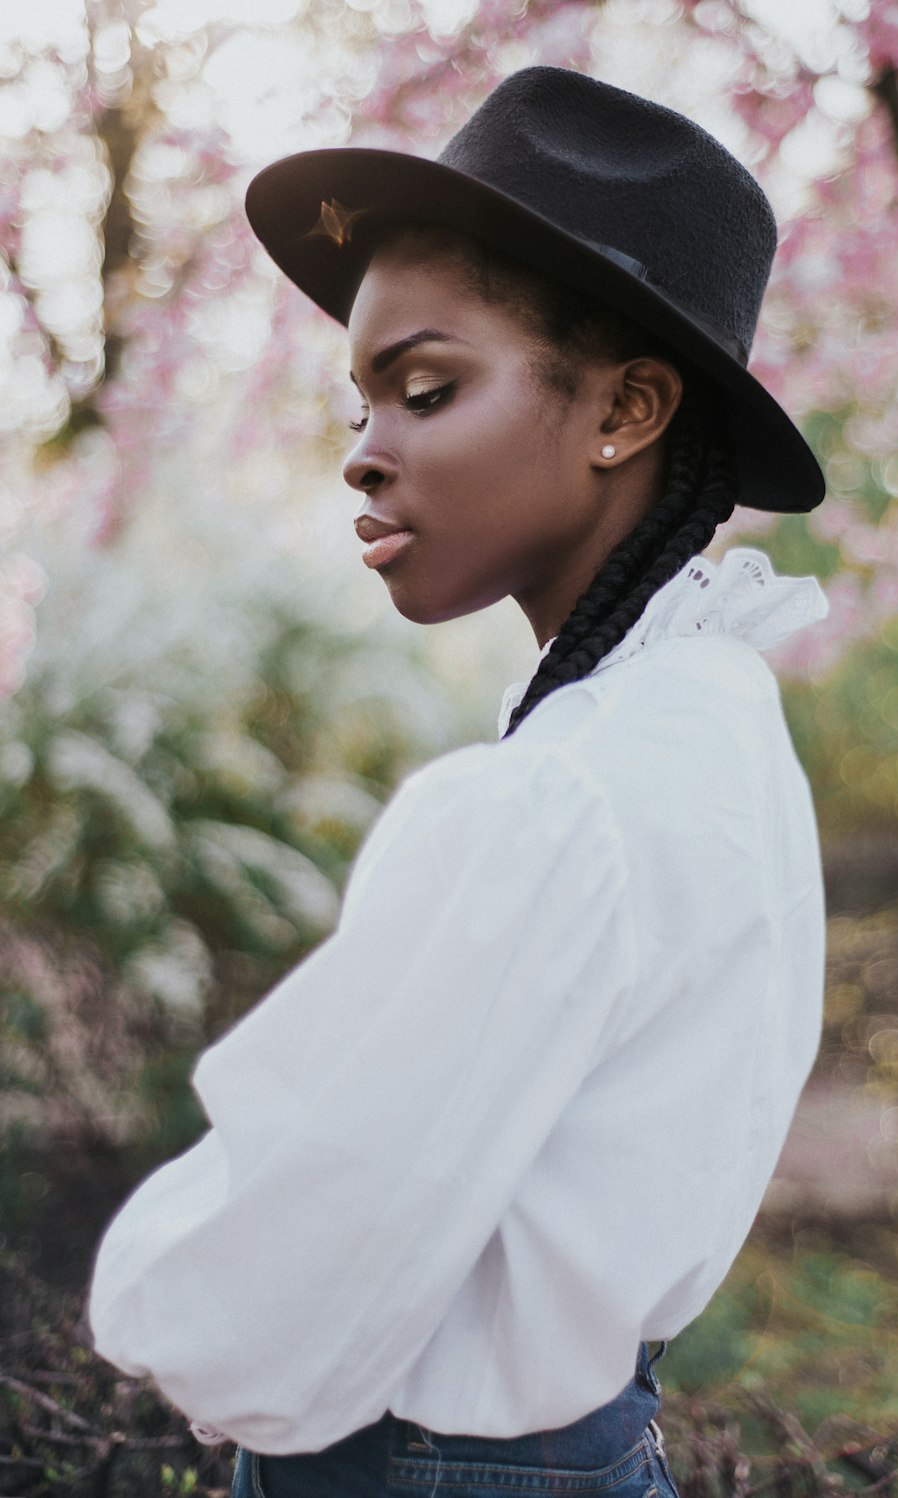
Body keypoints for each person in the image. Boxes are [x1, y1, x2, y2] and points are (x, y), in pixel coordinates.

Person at [87, 66, 830, 1498]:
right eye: (359, 400)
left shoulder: (559, 794)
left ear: (626, 411)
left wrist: (171, 1320)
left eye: (425, 387)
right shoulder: (712, 716)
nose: (362, 456)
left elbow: (309, 1226)